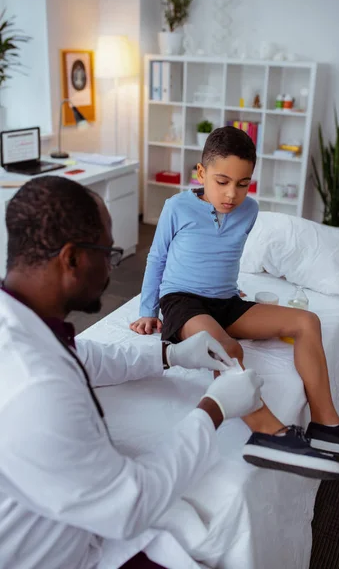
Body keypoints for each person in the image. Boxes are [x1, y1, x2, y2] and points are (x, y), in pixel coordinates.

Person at [0, 175, 265, 569]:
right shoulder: (33, 387)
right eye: (108, 254)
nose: (112, 268)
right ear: (71, 259)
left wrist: (170, 355)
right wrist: (215, 409)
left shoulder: (20, 320)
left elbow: (84, 357)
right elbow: (131, 505)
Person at [131, 126, 339, 480]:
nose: (231, 194)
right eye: (222, 181)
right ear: (201, 173)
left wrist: (230, 286)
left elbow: (223, 254)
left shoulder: (249, 210)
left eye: (242, 183)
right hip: (183, 302)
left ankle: (326, 424)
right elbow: (156, 259)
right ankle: (269, 433)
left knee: (306, 321)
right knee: (225, 348)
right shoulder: (176, 207)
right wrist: (147, 311)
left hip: (224, 300)